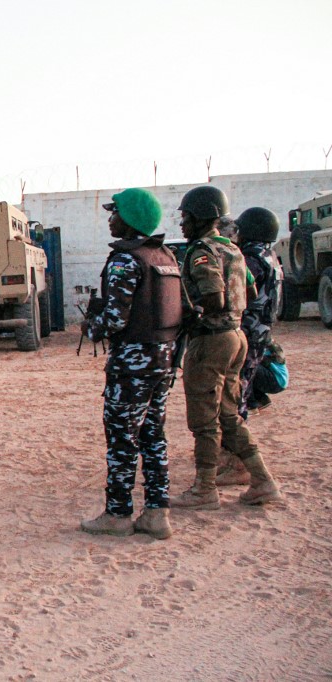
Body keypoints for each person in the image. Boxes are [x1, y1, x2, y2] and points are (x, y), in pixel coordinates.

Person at [171, 186, 282, 509]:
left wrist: (186, 314)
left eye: (186, 217)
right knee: (229, 415)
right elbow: (248, 288)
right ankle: (262, 479)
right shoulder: (233, 250)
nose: (182, 223)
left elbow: (213, 295)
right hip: (237, 337)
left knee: (204, 419)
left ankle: (204, 489)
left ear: (201, 216)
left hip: (210, 340)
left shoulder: (201, 251)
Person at [79, 189, 179, 539]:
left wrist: (90, 327)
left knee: (122, 439)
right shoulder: (164, 256)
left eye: (115, 213)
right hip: (162, 362)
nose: (110, 218)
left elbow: (114, 321)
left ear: (131, 218)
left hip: (132, 367)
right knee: (154, 438)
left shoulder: (126, 260)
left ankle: (118, 514)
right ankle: (157, 513)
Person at [216, 207, 283, 486]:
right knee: (238, 394)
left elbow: (237, 294)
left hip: (246, 333)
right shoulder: (270, 256)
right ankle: (233, 459)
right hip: (260, 334)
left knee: (234, 398)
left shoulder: (251, 258)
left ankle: (238, 464)